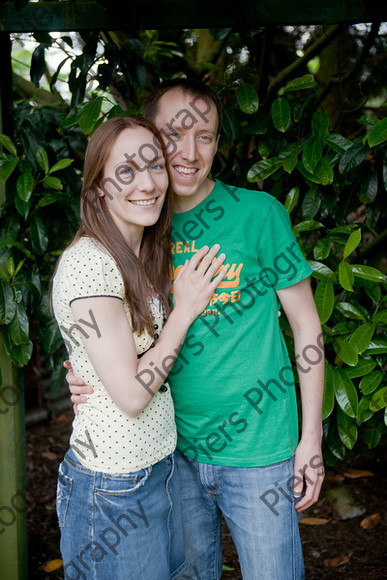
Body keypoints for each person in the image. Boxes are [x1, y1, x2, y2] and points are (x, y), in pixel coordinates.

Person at [67, 80, 325, 580]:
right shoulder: (137, 227)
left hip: (260, 453)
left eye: (204, 136)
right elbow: (107, 326)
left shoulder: (258, 215)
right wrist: (86, 371)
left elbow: (308, 328)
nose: (189, 152)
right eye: (172, 135)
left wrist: (310, 439)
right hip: (170, 453)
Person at [51, 114, 227, 580]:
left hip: (156, 470)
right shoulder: (90, 265)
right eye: (126, 171)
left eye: (154, 165)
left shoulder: (137, 257)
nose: (147, 182)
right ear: (98, 190)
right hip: (113, 487)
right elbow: (130, 395)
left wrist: (87, 370)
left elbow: (118, 358)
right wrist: (185, 311)